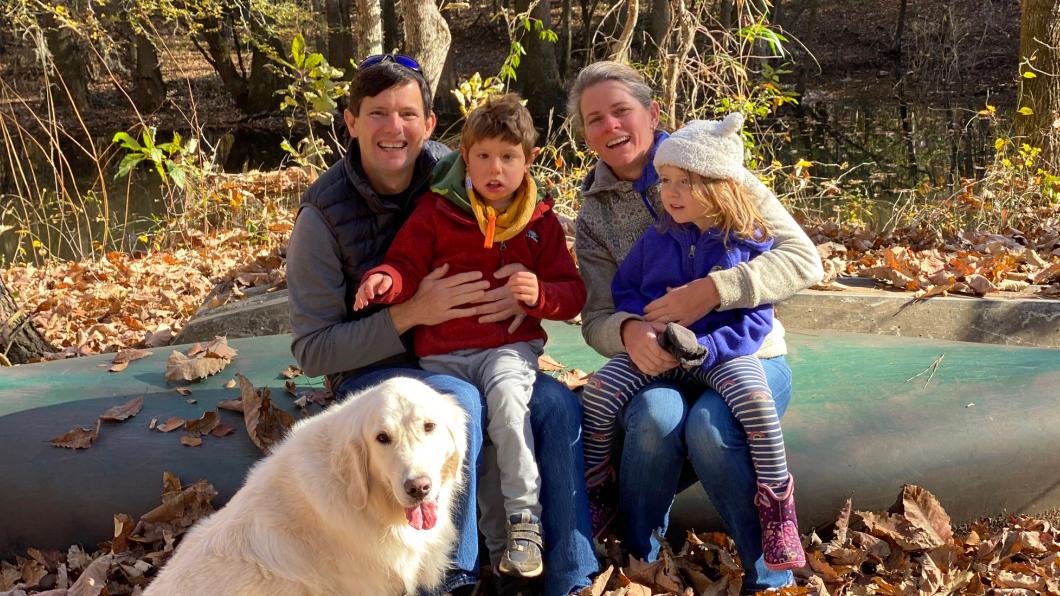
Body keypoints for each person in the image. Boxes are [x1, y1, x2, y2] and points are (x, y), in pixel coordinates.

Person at [286, 54, 597, 596]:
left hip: (470, 348)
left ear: (429, 125)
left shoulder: (460, 172)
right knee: (458, 405)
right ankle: (453, 576)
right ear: (350, 120)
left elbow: (527, 242)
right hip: (377, 371)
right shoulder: (321, 217)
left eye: (407, 113)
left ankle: (566, 573)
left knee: (555, 404)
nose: (393, 128)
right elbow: (312, 352)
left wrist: (527, 295)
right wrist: (410, 313)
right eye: (377, 113)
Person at [569, 61, 824, 593]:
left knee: (711, 429)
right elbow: (596, 314)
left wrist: (714, 290)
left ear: (652, 112)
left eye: (622, 111)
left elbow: (804, 261)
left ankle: (768, 573)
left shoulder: (709, 160)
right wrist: (626, 332)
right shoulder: (592, 211)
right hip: (657, 360)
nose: (611, 126)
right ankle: (638, 558)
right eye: (595, 119)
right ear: (584, 132)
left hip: (742, 355)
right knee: (654, 419)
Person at [352, 93, 587, 580]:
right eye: (483, 156)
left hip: (506, 349)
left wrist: (539, 293)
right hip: (444, 355)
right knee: (467, 439)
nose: (494, 169)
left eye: (508, 157)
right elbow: (407, 264)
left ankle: (525, 521)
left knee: (506, 404)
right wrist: (387, 281)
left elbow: (572, 292)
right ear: (464, 154)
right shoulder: (438, 211)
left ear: (530, 160)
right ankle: (496, 555)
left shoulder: (539, 222)